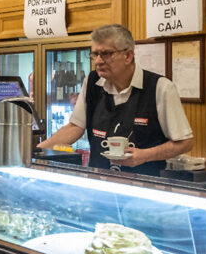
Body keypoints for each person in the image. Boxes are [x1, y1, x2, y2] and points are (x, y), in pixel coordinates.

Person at [38, 24, 194, 175]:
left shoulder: (160, 88)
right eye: (95, 54)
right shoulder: (92, 82)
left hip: (143, 188)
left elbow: (185, 142)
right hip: (99, 183)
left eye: (106, 54)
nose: (98, 61)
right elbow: (74, 127)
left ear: (128, 56)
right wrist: (36, 152)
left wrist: (146, 155)